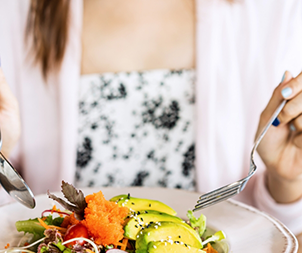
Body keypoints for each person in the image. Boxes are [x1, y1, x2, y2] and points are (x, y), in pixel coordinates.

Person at [0, 0, 302, 234]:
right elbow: (11, 226)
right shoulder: (13, 12)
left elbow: (271, 238)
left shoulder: (274, 11)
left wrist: (286, 179)